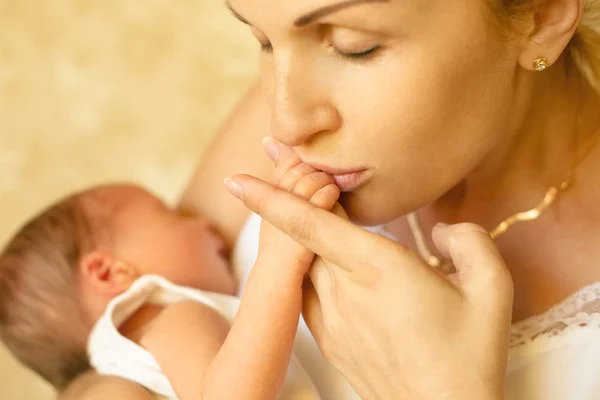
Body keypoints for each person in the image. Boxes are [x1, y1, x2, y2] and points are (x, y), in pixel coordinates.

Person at [64, 0, 600, 397]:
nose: (286, 121)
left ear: (542, 16)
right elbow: (100, 349)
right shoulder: (282, 112)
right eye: (263, 41)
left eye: (354, 47)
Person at [0, 160, 343, 400]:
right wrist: (278, 259)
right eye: (171, 213)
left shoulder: (133, 359)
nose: (201, 222)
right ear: (110, 273)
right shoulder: (166, 318)